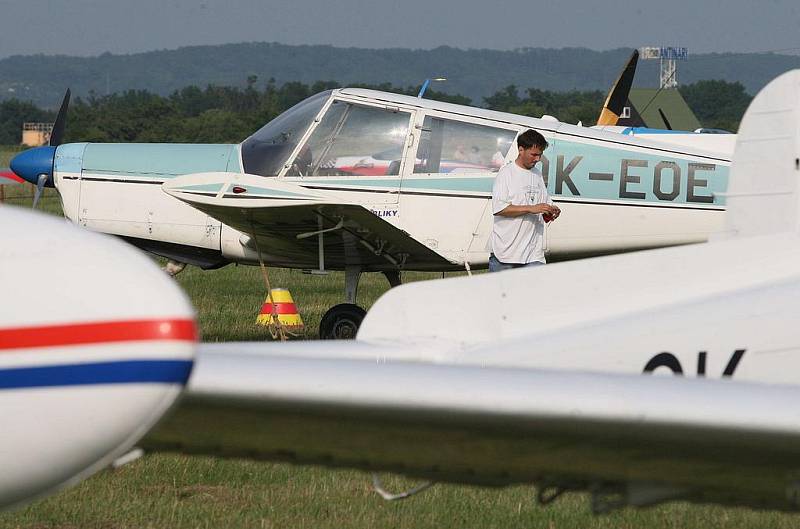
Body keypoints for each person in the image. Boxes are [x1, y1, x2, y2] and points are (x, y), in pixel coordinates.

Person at [489, 129, 560, 272]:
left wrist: (552, 210)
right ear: (521, 150)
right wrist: (531, 208)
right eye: (534, 155)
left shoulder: (537, 174)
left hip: (534, 255)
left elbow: (544, 203)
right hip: (506, 256)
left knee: (535, 294)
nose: (537, 159)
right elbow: (499, 209)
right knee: (499, 294)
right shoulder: (506, 173)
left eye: (540, 155)